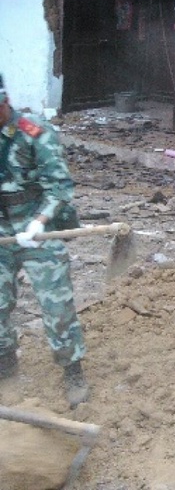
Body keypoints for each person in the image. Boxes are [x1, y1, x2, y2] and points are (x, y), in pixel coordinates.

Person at [0, 74, 90, 407]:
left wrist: (38, 222)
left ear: (4, 102)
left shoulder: (33, 132)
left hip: (38, 224)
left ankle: (72, 369)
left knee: (57, 303)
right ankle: (6, 365)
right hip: (1, 228)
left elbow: (60, 187)